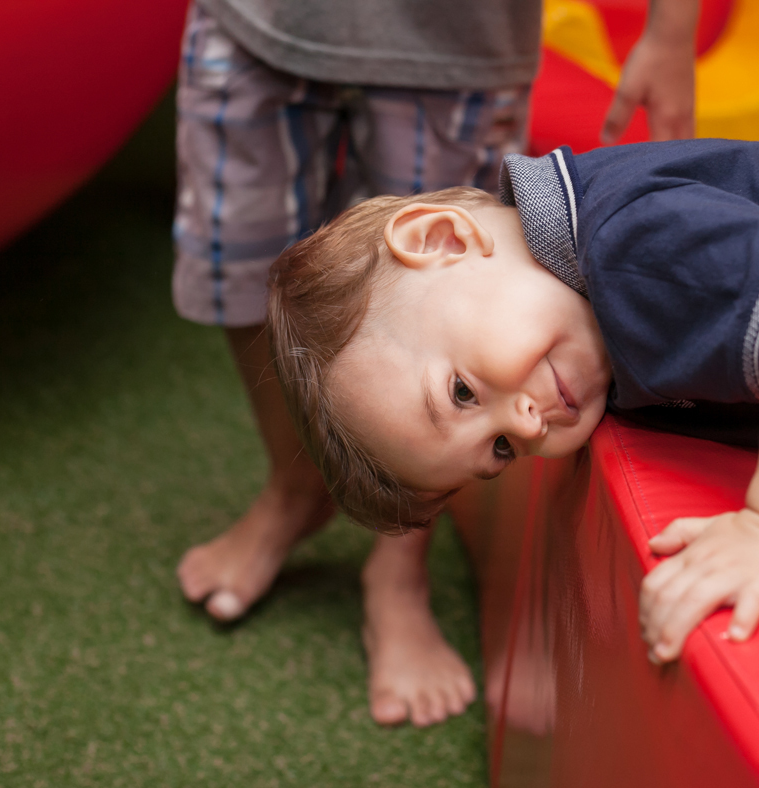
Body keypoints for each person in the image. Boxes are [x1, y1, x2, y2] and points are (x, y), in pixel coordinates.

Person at [265, 138, 759, 664]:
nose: (524, 422)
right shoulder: (585, 278)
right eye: (500, 452)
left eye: (464, 392)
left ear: (443, 240)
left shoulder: (627, 246)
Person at [171, 0, 701, 727]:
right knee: (238, 265)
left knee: (442, 326)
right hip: (255, 20)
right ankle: (298, 485)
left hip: (454, 41)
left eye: (504, 449)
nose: (526, 423)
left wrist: (670, 30)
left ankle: (397, 572)